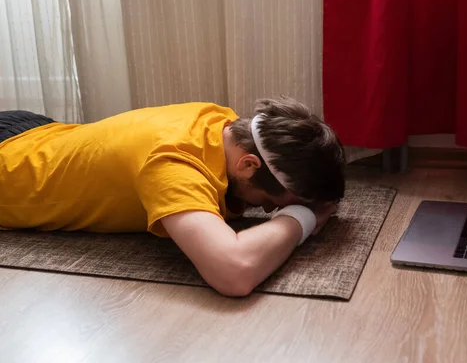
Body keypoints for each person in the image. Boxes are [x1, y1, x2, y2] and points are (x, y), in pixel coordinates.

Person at [0, 97, 346, 296]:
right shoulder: (172, 164)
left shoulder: (222, 124)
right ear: (248, 164)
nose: (271, 209)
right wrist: (303, 219)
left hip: (34, 132)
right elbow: (235, 271)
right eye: (280, 201)